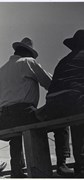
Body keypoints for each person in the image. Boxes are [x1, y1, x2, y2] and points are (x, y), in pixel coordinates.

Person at [0, 37, 52, 178]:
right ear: (28, 53)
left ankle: (17, 171)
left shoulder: (1, 70)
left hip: (5, 116)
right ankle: (43, 169)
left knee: (16, 138)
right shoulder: (28, 62)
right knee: (49, 123)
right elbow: (49, 83)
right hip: (24, 112)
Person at [40, 30, 84, 177]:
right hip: (73, 101)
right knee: (78, 117)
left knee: (65, 119)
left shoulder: (63, 61)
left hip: (52, 103)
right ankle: (81, 164)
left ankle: (62, 165)